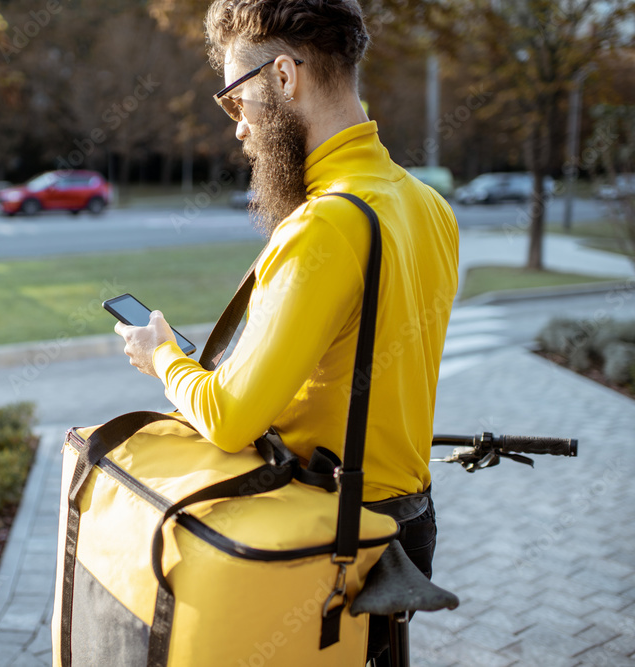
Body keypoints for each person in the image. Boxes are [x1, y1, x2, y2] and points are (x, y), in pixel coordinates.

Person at [114, 0, 459, 663]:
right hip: (405, 524)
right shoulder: (426, 204)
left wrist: (163, 360)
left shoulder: (324, 225)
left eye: (235, 98)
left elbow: (230, 416)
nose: (237, 126)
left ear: (284, 76)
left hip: (325, 538)